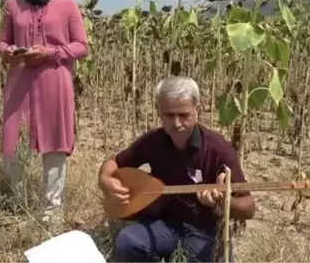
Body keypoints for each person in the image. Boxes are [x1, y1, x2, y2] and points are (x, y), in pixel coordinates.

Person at [98, 76, 255, 263]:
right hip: (163, 225)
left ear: (198, 110)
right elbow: (114, 163)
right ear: (159, 112)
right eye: (169, 115)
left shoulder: (217, 149)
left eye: (184, 115)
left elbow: (249, 207)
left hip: (203, 232)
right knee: (128, 242)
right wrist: (105, 180)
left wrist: (223, 202)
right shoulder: (155, 141)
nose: (177, 123)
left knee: (216, 259)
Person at [0, 0, 89, 225]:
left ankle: (52, 211)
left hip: (54, 81)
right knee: (13, 143)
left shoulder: (67, 6)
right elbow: (1, 40)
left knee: (55, 145)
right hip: (20, 79)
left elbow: (82, 46)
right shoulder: (14, 4)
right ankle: (20, 205)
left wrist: (51, 53)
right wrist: (7, 51)